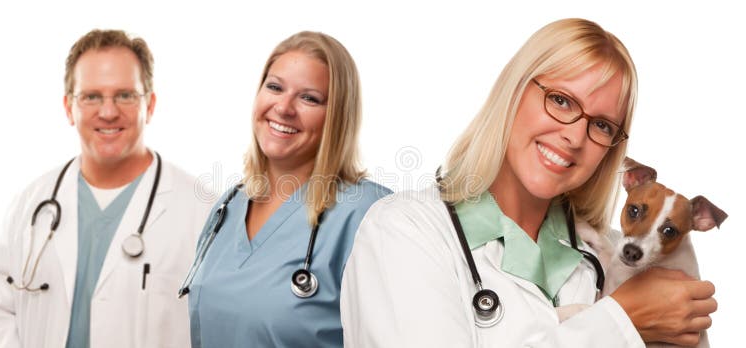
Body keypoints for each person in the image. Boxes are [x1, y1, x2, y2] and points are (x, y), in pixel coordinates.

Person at [341, 18, 716, 347]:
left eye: (601, 125)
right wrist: (622, 321)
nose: (574, 136)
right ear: (514, 90)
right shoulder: (402, 231)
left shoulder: (608, 258)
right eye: (561, 100)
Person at [0, 29, 210, 348]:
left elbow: (218, 326)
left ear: (150, 105)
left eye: (125, 95)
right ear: (69, 107)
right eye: (91, 96)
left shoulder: (201, 210)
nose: (108, 112)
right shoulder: (31, 204)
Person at [181, 31, 391, 347]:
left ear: (337, 115)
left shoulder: (370, 214)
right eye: (275, 87)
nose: (283, 107)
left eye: (309, 98)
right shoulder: (228, 206)